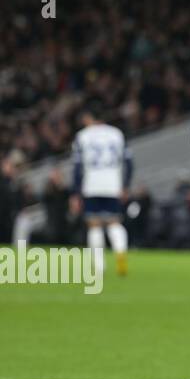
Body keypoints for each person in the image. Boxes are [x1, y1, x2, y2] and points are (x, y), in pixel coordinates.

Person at [70, 105, 134, 277]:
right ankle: (120, 256)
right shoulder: (117, 134)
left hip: (92, 185)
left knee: (94, 224)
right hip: (113, 184)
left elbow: (77, 167)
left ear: (90, 117)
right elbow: (129, 163)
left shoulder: (82, 136)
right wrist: (126, 185)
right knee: (114, 222)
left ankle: (99, 266)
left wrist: (75, 193)